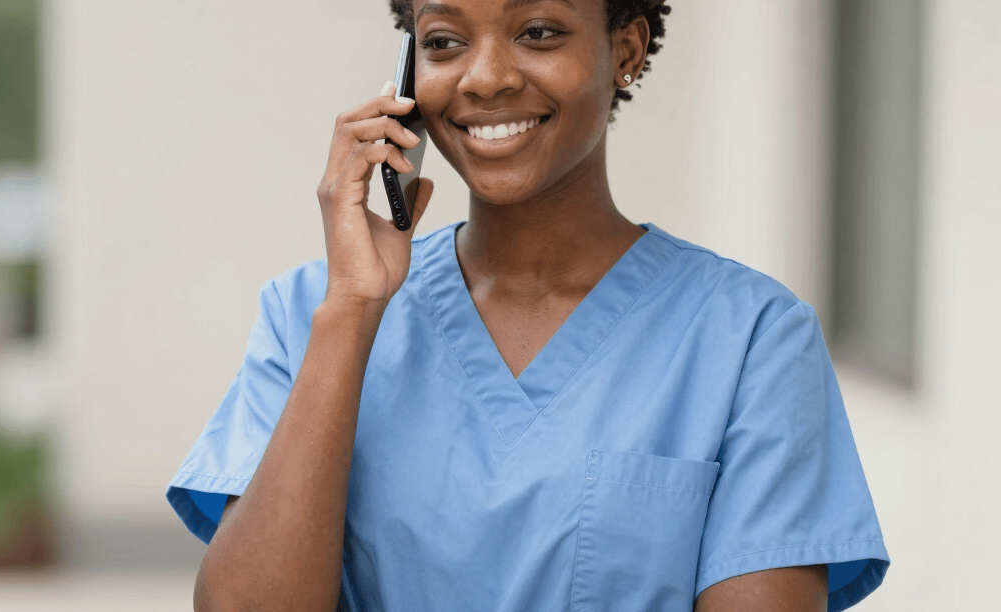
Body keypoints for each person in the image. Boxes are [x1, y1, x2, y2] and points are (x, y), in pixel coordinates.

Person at [166, 1, 890, 610]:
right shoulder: (311, 316)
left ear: (625, 50)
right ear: (408, 74)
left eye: (538, 32)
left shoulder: (751, 338)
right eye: (444, 42)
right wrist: (354, 310)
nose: (485, 78)